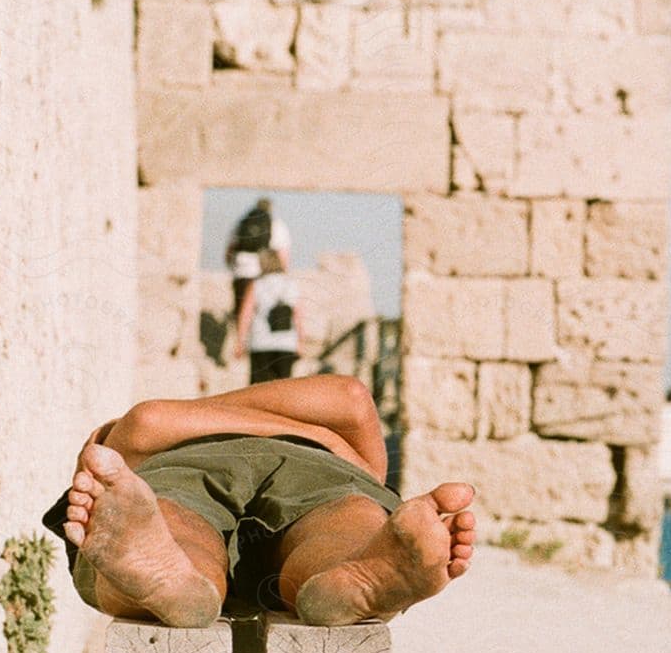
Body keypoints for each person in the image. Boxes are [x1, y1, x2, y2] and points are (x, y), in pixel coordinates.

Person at [43, 375, 475, 628]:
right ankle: (350, 575)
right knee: (345, 522)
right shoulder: (328, 438)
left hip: (184, 462)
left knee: (175, 523)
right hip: (316, 464)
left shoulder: (136, 436)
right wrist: (318, 434)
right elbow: (350, 400)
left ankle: (183, 582)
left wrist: (144, 423)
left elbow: (149, 419)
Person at [236, 248, 301, 384]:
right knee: (284, 390)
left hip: (261, 343)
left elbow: (245, 315)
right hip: (286, 344)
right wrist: (300, 343)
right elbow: (297, 316)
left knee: (258, 390)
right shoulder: (291, 284)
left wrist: (240, 342)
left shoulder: (256, 285)